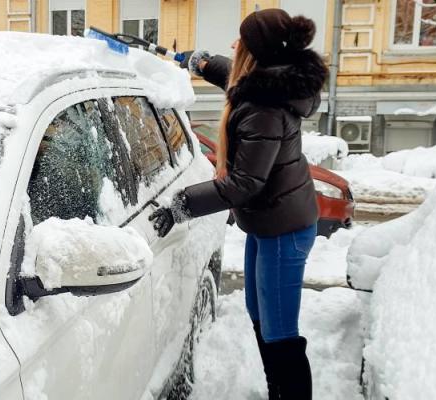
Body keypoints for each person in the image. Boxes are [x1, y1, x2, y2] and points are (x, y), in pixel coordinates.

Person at [150, 8, 327, 400]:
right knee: (259, 314)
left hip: (284, 227)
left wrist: (181, 205)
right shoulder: (272, 81)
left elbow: (245, 183)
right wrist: (197, 61)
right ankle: (277, 390)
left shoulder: (264, 108)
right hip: (270, 221)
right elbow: (234, 73)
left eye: (240, 40)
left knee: (279, 331)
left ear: (256, 52)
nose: (234, 44)